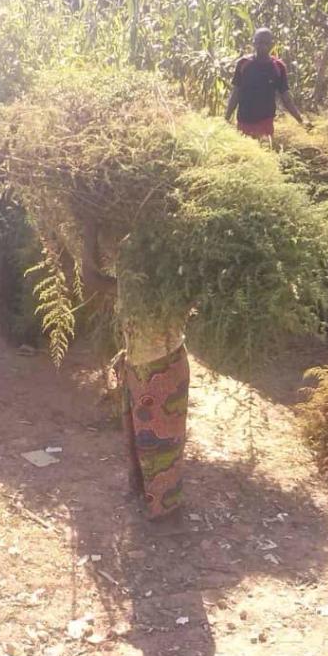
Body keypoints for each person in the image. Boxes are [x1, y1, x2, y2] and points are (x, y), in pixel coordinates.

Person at [81, 223, 189, 520]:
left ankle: (167, 507)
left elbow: (91, 278)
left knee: (164, 442)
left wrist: (90, 232)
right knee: (139, 436)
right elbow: (89, 277)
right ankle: (145, 492)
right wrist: (89, 230)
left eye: (130, 261)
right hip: (138, 369)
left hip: (166, 371)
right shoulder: (128, 287)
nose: (125, 266)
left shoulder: (172, 288)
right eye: (124, 261)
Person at [225, 27, 308, 139]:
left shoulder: (278, 67)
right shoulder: (243, 64)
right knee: (244, 153)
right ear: (254, 42)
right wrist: (226, 119)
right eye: (259, 42)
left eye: (266, 43)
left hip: (265, 123)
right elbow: (236, 93)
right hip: (244, 122)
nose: (262, 46)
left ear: (272, 44)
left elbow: (286, 98)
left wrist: (301, 120)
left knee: (265, 154)